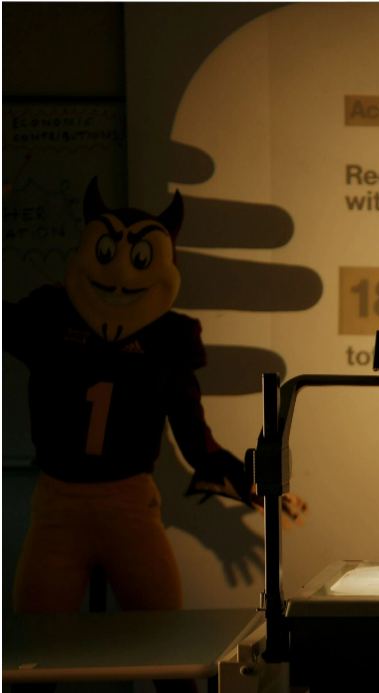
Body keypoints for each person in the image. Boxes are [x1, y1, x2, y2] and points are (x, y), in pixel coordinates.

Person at [4, 178, 307, 693]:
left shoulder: (167, 342)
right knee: (30, 660)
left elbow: (195, 437)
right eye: (106, 252)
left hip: (129, 508)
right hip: (57, 506)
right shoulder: (49, 319)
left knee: (172, 659)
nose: (120, 273)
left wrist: (248, 481)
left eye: (139, 258)